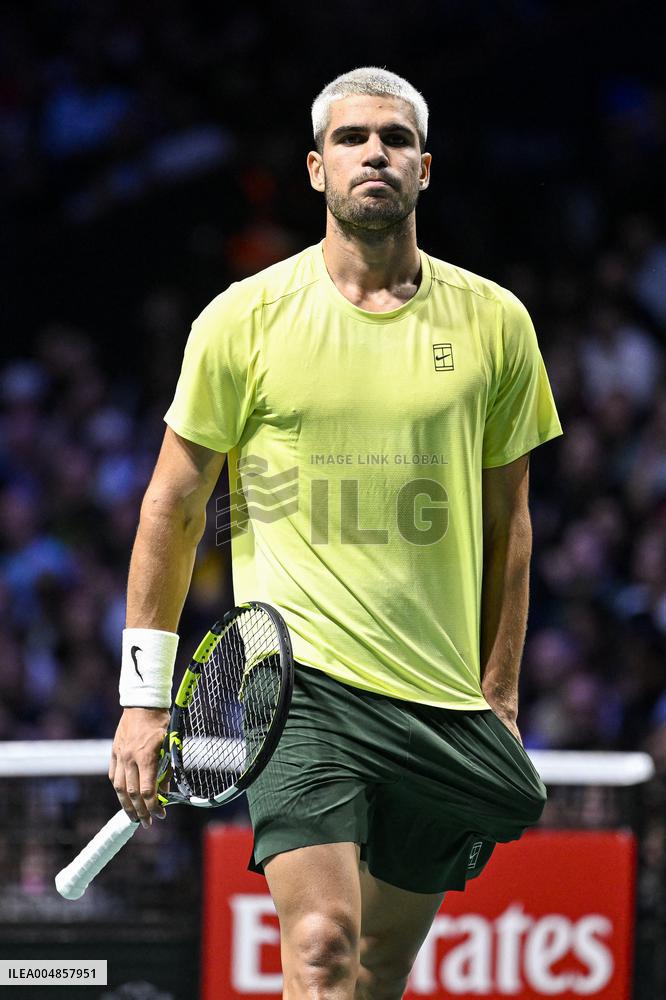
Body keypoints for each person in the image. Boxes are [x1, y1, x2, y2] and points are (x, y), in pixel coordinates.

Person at [109, 67, 563, 999]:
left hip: (440, 700)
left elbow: (510, 526)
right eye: (352, 139)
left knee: (378, 970)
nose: (375, 155)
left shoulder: (497, 324)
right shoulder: (243, 319)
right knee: (321, 946)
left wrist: (502, 690)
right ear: (316, 169)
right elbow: (172, 508)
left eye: (395, 140)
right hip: (299, 690)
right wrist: (143, 700)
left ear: (424, 169)